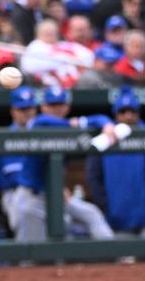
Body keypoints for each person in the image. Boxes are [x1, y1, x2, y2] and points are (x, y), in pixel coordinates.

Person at [14, 86, 116, 242]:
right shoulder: (39, 123)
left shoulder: (65, 125)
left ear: (67, 106)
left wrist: (107, 125)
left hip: (55, 194)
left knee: (91, 213)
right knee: (33, 252)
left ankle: (113, 254)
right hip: (31, 197)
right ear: (43, 107)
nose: (57, 109)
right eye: (52, 105)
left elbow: (101, 118)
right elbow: (55, 122)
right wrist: (79, 122)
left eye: (60, 104)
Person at [86, 88, 145, 238]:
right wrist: (106, 207)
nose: (128, 116)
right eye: (123, 111)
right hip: (116, 220)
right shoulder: (105, 138)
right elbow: (93, 177)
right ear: (116, 114)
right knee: (121, 258)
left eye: (132, 111)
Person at [0, 87, 37, 235]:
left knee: (65, 218)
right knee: (22, 215)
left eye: (29, 108)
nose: (27, 113)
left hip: (40, 191)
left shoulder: (41, 130)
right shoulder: (7, 135)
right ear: (13, 111)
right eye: (22, 109)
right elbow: (13, 176)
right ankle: (25, 258)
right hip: (14, 191)